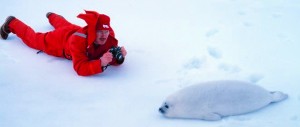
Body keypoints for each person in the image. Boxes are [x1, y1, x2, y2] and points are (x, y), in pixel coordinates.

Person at [0, 10, 127, 76]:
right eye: (100, 32)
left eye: (106, 31)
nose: (104, 36)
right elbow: (80, 68)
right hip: (62, 40)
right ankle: (12, 23)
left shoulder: (109, 37)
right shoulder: (78, 42)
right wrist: (100, 63)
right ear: (93, 31)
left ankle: (52, 16)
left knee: (65, 25)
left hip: (75, 30)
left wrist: (118, 57)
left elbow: (111, 57)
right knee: (35, 39)